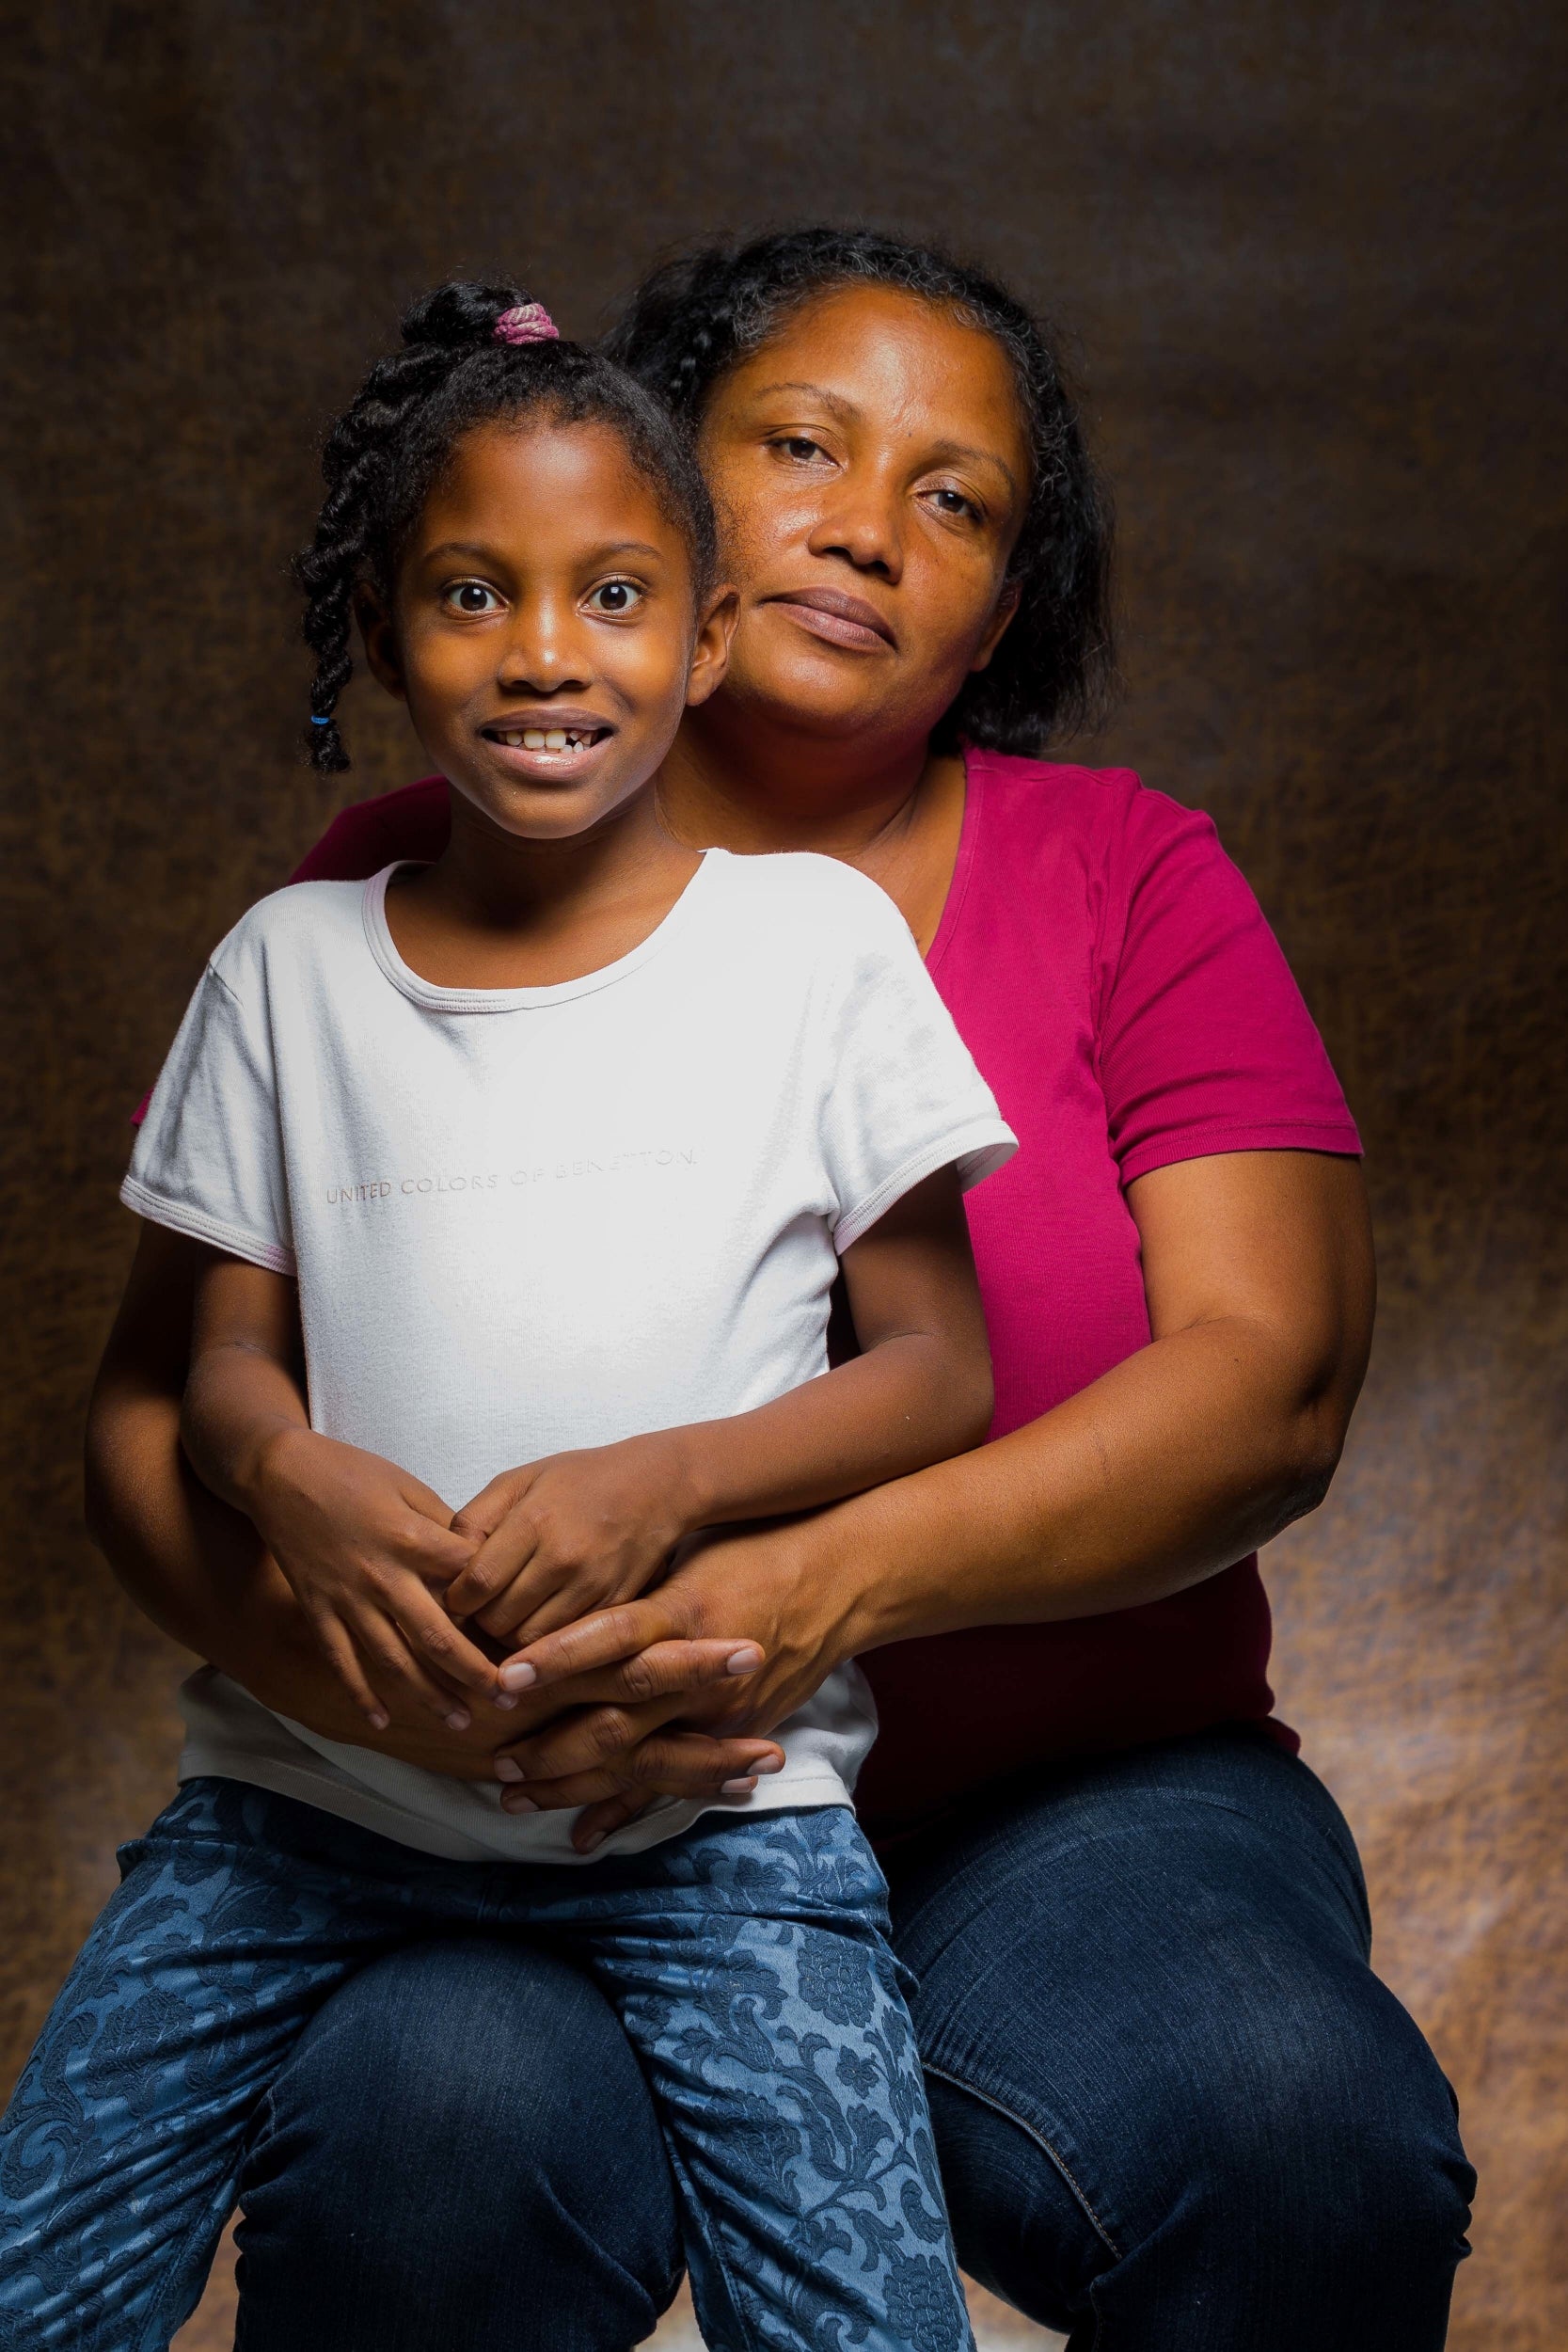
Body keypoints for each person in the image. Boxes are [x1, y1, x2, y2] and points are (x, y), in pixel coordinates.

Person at [79, 231, 1475, 2349]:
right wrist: (381, 1696)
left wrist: (804, 1597)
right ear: (663, 492)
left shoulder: (1126, 871)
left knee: (1296, 2123)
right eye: (803, 445)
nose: (870, 524)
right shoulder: (375, 897)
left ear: (1010, 601)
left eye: (959, 499)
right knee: (428, 2126)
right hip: (509, 1794)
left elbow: (1272, 1386)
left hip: (1066, 1803)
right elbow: (164, 1411)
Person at [0, 282, 1022, 2352]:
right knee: (45, 2284)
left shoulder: (811, 950)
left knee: (868, 2328)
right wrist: (283, 1468)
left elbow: (942, 1366)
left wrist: (668, 1482)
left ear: (708, 632)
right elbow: (210, 1358)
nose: (547, 651)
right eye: (475, 590)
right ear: (386, 634)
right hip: (306, 1800)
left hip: (718, 1813)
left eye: (617, 592)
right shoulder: (288, 968)